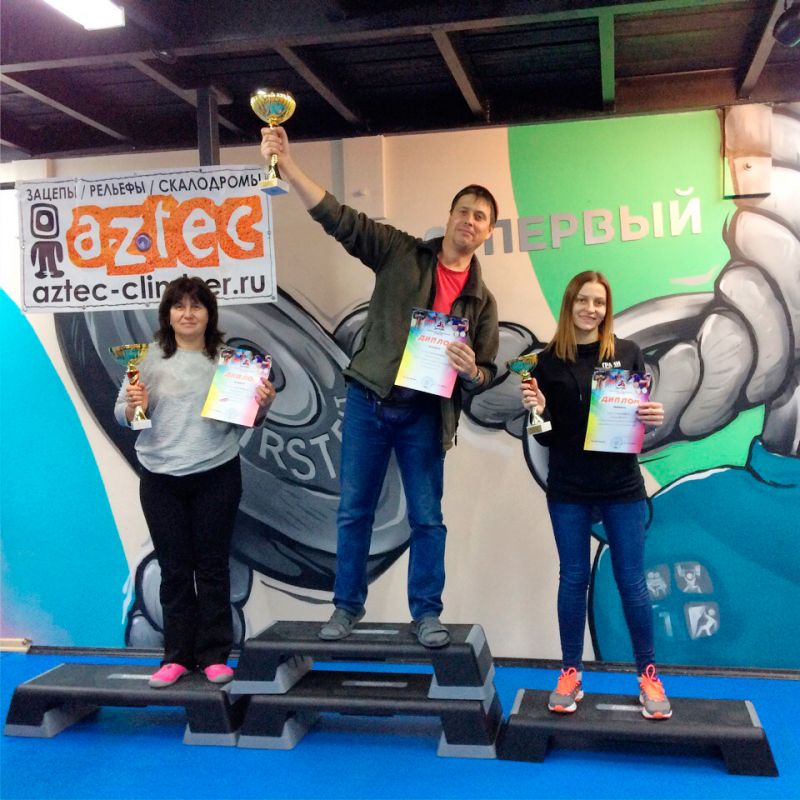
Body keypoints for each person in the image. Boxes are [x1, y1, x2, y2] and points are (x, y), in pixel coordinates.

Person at [260, 125, 499, 648]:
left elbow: (486, 372)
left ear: (487, 232)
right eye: (463, 211)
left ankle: (427, 614)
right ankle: (346, 608)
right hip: (370, 402)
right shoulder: (400, 252)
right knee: (354, 512)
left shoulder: (483, 302)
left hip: (426, 417)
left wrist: (472, 371)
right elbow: (339, 219)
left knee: (427, 519)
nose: (469, 220)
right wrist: (289, 166)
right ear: (449, 218)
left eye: (480, 216)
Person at [520, 270, 672, 719]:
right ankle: (570, 672)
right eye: (583, 300)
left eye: (599, 302)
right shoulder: (545, 363)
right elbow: (545, 438)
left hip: (621, 487)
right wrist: (538, 412)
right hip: (568, 488)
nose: (591, 309)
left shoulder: (627, 354)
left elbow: (637, 426)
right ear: (569, 305)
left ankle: (648, 675)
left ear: (607, 309)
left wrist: (652, 418)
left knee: (632, 583)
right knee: (573, 580)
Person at [114, 276, 276, 688]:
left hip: (216, 475)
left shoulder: (230, 363)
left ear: (209, 314)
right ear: (167, 314)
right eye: (179, 306)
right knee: (173, 571)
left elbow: (246, 420)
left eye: (197, 306)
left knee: (213, 567)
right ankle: (176, 657)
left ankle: (215, 656)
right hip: (161, 479)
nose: (188, 314)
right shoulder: (146, 360)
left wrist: (261, 406)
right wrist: (134, 407)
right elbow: (125, 417)